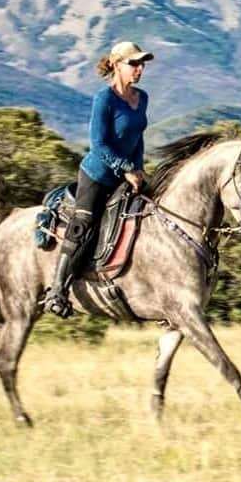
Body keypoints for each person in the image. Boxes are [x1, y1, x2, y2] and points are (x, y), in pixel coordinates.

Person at [43, 41, 154, 318]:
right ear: (117, 64)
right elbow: (99, 145)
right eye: (134, 64)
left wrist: (138, 170)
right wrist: (125, 168)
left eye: (142, 64)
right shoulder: (104, 99)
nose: (139, 69)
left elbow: (137, 137)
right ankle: (56, 291)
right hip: (97, 176)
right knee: (83, 225)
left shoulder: (142, 98)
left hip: (127, 176)